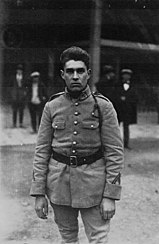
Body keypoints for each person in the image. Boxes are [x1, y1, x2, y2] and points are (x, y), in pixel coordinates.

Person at [30, 46, 124, 244]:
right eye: (70, 71)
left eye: (80, 71)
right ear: (62, 74)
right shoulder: (52, 106)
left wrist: (110, 196)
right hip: (59, 186)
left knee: (98, 239)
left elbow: (115, 153)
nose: (75, 76)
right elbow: (41, 151)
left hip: (94, 187)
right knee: (67, 239)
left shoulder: (103, 106)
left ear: (88, 74)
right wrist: (39, 193)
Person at [116, 69, 138, 149]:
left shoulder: (132, 86)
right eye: (125, 75)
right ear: (122, 76)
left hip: (128, 110)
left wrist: (127, 99)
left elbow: (135, 97)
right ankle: (116, 143)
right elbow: (114, 96)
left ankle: (126, 143)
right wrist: (120, 98)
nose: (126, 77)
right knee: (116, 126)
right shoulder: (117, 85)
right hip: (119, 109)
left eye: (128, 75)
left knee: (126, 127)